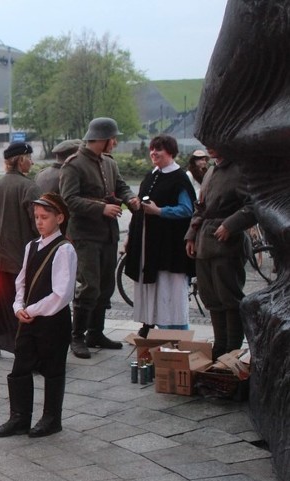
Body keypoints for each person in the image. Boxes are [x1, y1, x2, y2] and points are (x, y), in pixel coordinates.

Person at [0, 193, 77, 438]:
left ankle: (51, 418)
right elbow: (22, 281)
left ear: (59, 218)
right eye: (37, 217)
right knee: (21, 365)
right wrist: (18, 306)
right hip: (28, 318)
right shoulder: (31, 246)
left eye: (45, 217)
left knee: (53, 367)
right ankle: (19, 417)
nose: (39, 222)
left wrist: (33, 309)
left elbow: (62, 293)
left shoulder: (64, 249)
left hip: (53, 320)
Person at [59, 117, 140, 359]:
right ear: (102, 139)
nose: (115, 142)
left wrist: (130, 198)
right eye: (113, 138)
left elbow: (121, 185)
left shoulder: (108, 163)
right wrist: (101, 208)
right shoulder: (74, 165)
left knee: (106, 286)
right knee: (89, 286)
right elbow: (68, 199)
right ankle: (77, 337)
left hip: (108, 234)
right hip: (85, 235)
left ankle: (96, 332)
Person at [185, 148, 256, 360]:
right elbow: (201, 208)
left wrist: (230, 225)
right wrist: (191, 235)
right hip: (204, 242)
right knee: (211, 298)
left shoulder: (241, 170)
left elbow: (253, 205)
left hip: (227, 243)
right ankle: (220, 347)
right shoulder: (211, 172)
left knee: (229, 298)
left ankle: (232, 351)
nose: (209, 148)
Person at [123, 135, 197, 338]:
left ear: (171, 152)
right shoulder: (151, 175)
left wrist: (159, 211)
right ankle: (154, 328)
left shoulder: (179, 178)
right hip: (148, 245)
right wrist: (131, 234)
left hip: (169, 246)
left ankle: (175, 335)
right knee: (154, 289)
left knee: (169, 291)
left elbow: (187, 209)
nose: (154, 153)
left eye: (159, 150)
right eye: (152, 149)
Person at [0, 141, 41, 359]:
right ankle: (21, 347)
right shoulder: (30, 187)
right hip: (20, 258)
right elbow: (37, 224)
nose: (32, 162)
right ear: (20, 160)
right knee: (21, 303)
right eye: (29, 158)